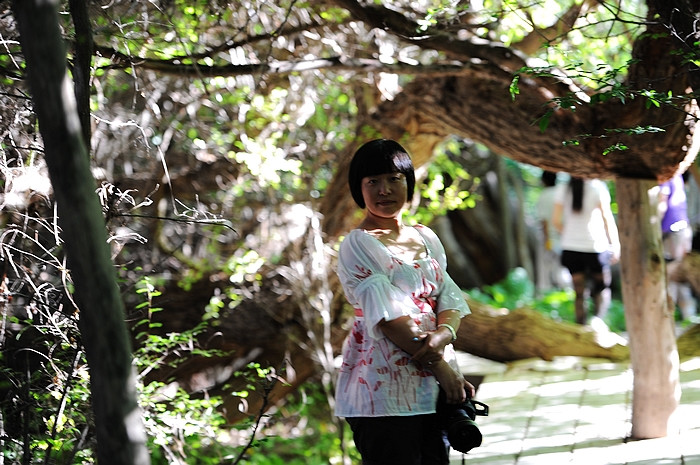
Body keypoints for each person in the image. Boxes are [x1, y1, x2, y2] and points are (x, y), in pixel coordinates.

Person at [334, 139, 474, 465]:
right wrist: (442, 367)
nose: (384, 190)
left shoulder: (426, 237)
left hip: (432, 387)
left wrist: (444, 337)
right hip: (383, 394)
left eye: (394, 179)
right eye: (373, 182)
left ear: (408, 182)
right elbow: (390, 319)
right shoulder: (359, 244)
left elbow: (448, 295)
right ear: (359, 189)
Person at [552, 176, 620, 326]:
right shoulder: (597, 187)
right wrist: (615, 245)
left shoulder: (562, 188)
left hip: (570, 249)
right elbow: (607, 218)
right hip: (595, 247)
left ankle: (580, 327)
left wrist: (570, 235)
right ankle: (598, 322)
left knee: (579, 292)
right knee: (602, 287)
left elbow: (556, 221)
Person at [658, 173, 696, 321]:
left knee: (669, 274)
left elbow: (662, 204)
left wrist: (654, 228)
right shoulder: (676, 175)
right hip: (682, 230)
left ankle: (667, 316)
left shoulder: (665, 177)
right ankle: (688, 316)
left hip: (672, 233)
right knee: (677, 275)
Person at [534, 170, 567, 293]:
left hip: (549, 237)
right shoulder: (562, 193)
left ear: (544, 180)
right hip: (563, 236)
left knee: (545, 269)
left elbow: (544, 221)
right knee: (562, 267)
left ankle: (545, 293)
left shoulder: (544, 195)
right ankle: (566, 291)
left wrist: (546, 240)